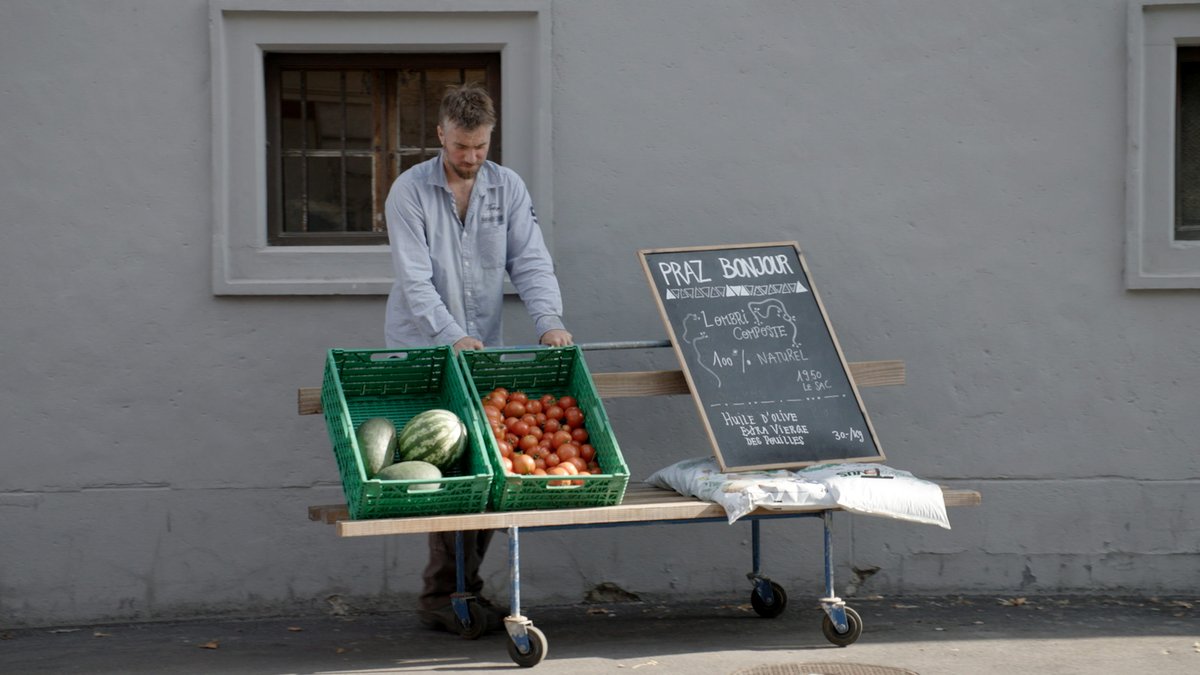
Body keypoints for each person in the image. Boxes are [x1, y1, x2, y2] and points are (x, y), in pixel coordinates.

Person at [383, 82, 573, 633]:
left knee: (491, 467)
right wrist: (451, 335)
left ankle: (462, 590)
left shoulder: (506, 187)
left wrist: (549, 321)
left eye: (480, 146)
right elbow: (415, 282)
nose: (470, 158)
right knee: (447, 469)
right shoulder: (408, 191)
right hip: (424, 347)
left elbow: (530, 261)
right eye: (461, 146)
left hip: (480, 348)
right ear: (440, 134)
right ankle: (443, 595)